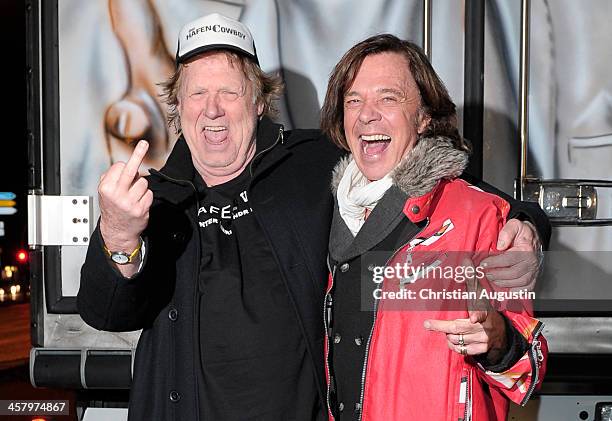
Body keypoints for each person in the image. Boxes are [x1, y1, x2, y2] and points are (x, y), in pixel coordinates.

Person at [78, 14, 548, 421]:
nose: (213, 109)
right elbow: (106, 311)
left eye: (229, 91)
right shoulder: (151, 199)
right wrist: (119, 233)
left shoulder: (312, 164)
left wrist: (527, 221)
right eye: (197, 93)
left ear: (259, 102)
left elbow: (445, 183)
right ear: (178, 108)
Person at [320, 34, 548, 420]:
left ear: (425, 117)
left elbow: (530, 370)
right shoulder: (325, 207)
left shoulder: (481, 215)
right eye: (353, 100)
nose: (366, 114)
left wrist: (497, 340)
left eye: (388, 98)